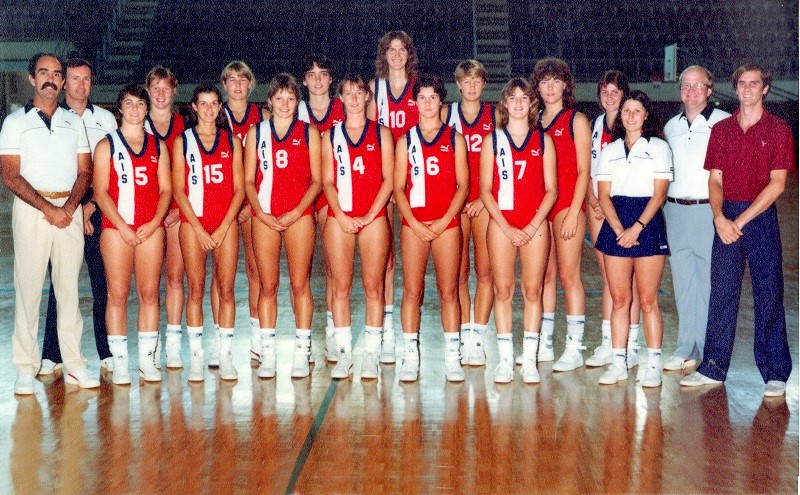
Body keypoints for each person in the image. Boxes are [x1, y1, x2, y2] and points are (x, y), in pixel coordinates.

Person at [681, 64, 795, 398]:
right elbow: (714, 179)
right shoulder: (722, 130)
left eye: (753, 84)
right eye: (741, 83)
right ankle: (713, 368)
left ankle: (775, 373)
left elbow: (777, 184)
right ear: (735, 88)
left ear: (765, 89)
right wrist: (719, 217)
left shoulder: (779, 129)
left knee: (768, 294)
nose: (747, 89)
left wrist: (739, 221)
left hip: (759, 218)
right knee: (722, 294)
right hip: (726, 217)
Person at [0, 53, 100, 394]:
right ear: (32, 78)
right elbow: (10, 176)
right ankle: (25, 368)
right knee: (28, 290)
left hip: (68, 211)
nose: (51, 79)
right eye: (44, 73)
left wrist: (69, 208)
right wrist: (48, 208)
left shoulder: (74, 122)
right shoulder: (14, 122)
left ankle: (74, 366)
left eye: (57, 74)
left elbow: (85, 171)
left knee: (69, 291)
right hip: (32, 210)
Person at [39, 58, 118, 375]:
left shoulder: (107, 120)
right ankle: (52, 354)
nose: (80, 85)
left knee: (103, 283)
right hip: (62, 210)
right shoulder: (51, 118)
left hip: (98, 208)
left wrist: (91, 205)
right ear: (63, 83)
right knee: (60, 284)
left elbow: (114, 169)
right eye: (74, 78)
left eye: (86, 79)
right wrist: (70, 209)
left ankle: (107, 351)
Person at [479, 77, 557, 384]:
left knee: (533, 291)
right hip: (502, 224)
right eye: (512, 98)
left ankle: (529, 359)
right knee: (503, 290)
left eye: (524, 97)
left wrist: (533, 224)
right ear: (504, 104)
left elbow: (551, 190)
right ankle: (504, 360)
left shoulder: (543, 140)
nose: (519, 103)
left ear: (532, 103)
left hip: (535, 225)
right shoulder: (492, 140)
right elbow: (485, 190)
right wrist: (507, 227)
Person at [244, 73, 322, 380]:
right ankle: (269, 353)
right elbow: (248, 180)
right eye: (279, 98)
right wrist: (261, 213)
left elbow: (317, 180)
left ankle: (302, 351)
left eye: (290, 98)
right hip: (265, 215)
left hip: (298, 216)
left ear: (297, 101)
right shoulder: (256, 132)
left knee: (300, 284)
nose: (285, 104)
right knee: (268, 286)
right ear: (270, 101)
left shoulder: (309, 132)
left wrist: (298, 212)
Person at [93, 84, 172, 385]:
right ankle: (121, 363)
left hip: (150, 228)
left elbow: (166, 190)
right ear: (119, 109)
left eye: (140, 103)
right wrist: (123, 226)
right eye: (129, 103)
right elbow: (101, 192)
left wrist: (154, 223)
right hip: (117, 229)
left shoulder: (158, 146)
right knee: (117, 294)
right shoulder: (106, 145)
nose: (135, 109)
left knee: (150, 294)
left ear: (147, 108)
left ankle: (147, 361)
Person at [393, 74, 469, 383]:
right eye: (422, 98)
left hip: (447, 224)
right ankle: (410, 355)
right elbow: (398, 187)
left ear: (441, 101)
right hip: (414, 224)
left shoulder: (454, 138)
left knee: (449, 291)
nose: (427, 103)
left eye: (433, 98)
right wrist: (412, 221)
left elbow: (463, 185)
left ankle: (452, 356)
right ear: (414, 102)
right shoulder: (405, 140)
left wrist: (444, 220)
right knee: (412, 291)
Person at [594, 90, 673, 387]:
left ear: (646, 115)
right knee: (619, 299)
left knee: (649, 300)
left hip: (647, 223)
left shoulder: (659, 147)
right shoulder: (610, 149)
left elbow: (659, 194)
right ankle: (619, 363)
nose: (630, 116)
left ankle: (652, 365)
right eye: (626, 110)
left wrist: (637, 227)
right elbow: (603, 195)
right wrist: (618, 230)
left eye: (636, 110)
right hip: (616, 222)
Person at [321, 75, 394, 379]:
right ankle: (344, 355)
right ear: (340, 98)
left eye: (358, 93)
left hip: (373, 217)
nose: (353, 99)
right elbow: (327, 181)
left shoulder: (382, 133)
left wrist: (371, 214)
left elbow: (389, 179)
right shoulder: (330, 135)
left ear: (367, 97)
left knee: (373, 287)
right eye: (347, 93)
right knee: (340, 287)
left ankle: (371, 355)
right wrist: (340, 214)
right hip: (340, 217)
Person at [172, 84, 244, 382]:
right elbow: (178, 189)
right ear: (194, 107)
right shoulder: (183, 141)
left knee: (226, 289)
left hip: (225, 222)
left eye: (214, 103)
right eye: (203, 103)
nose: (209, 109)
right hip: (194, 224)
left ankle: (224, 355)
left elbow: (240, 189)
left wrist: (225, 225)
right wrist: (199, 229)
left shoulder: (232, 141)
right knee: (196, 289)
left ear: (220, 107)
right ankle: (197, 358)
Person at [662, 66, 730, 371]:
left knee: (708, 284)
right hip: (675, 211)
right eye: (685, 86)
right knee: (683, 283)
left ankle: (709, 350)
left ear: (709, 90)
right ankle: (685, 348)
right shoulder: (670, 126)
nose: (690, 91)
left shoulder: (724, 122)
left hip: (708, 212)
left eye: (697, 85)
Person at [530, 58, 591, 372]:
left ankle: (575, 347)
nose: (550, 87)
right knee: (545, 276)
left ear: (566, 85)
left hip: (568, 204)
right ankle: (545, 344)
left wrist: (573, 212)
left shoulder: (576, 120)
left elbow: (583, 170)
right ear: (537, 87)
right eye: (544, 82)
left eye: (556, 81)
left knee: (569, 276)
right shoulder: (533, 121)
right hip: (541, 206)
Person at [367, 30, 420, 364]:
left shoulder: (420, 88)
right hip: (387, 178)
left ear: (408, 54)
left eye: (402, 50)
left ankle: (411, 336)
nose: (397, 55)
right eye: (391, 49)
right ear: (384, 55)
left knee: (415, 261)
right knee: (385, 258)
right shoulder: (375, 89)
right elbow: (371, 136)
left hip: (418, 179)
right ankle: (385, 330)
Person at [585, 70, 642, 369]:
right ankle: (609, 342)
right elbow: (588, 169)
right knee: (609, 278)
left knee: (628, 281)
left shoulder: (630, 124)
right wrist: (594, 200)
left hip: (624, 209)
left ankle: (631, 345)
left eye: (615, 92)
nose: (609, 97)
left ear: (624, 95)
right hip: (599, 208)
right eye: (604, 91)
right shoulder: (595, 125)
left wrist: (610, 207)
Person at [442, 59, 496, 367]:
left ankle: (479, 339)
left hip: (485, 203)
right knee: (458, 274)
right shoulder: (446, 114)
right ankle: (463, 335)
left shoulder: (495, 115)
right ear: (458, 85)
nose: (472, 86)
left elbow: (503, 160)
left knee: (485, 272)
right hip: (457, 202)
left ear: (483, 84)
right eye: (467, 81)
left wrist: (485, 201)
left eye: (477, 81)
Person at [296, 54, 345, 363]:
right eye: (311, 74)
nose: (317, 79)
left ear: (330, 79)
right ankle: (302, 339)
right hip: (300, 193)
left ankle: (331, 331)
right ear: (304, 80)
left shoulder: (344, 107)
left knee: (331, 266)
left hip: (331, 193)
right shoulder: (293, 108)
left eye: (323, 73)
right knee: (300, 272)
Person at [219, 60, 264, 366]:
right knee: (221, 277)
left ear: (250, 84)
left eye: (242, 79)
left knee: (255, 269)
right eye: (231, 79)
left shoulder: (263, 116)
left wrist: (250, 203)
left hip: (251, 203)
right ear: (224, 84)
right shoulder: (212, 111)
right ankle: (220, 342)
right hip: (219, 203)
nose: (237, 85)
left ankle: (258, 336)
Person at [145, 66, 187, 370]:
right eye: (155, 88)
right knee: (148, 286)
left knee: (174, 278)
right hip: (144, 212)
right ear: (148, 91)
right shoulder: (135, 120)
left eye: (166, 88)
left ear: (174, 91)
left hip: (174, 212)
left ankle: (173, 344)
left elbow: (193, 172)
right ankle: (151, 344)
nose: (161, 94)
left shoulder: (185, 125)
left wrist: (180, 209)